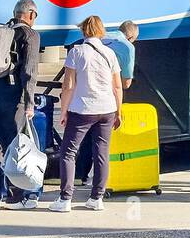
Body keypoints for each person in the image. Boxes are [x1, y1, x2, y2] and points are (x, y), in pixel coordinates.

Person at [53, 15, 123, 213]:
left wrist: (64, 110)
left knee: (68, 152)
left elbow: (68, 85)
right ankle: (96, 198)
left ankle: (65, 199)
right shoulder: (110, 53)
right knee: (101, 153)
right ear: (101, 31)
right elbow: (117, 86)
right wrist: (119, 111)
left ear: (83, 31)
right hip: (107, 109)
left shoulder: (76, 52)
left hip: (82, 109)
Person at [0, 0, 42, 213]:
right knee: (15, 147)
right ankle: (15, 198)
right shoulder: (30, 35)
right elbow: (29, 72)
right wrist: (29, 102)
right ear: (31, 14)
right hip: (13, 99)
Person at [77, 19, 139, 186]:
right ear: (131, 36)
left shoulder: (97, 39)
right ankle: (98, 186)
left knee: (82, 139)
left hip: (83, 98)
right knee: (102, 145)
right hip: (106, 100)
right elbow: (124, 84)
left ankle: (81, 175)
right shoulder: (127, 46)